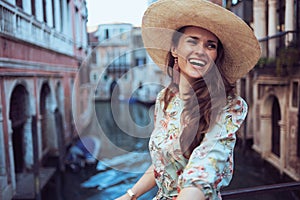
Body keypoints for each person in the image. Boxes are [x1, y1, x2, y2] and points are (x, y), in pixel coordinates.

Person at [116, 0, 261, 199]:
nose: (201, 51)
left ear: (216, 56)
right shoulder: (165, 100)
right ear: (174, 49)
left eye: (210, 45)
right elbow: (161, 162)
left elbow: (206, 165)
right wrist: (130, 195)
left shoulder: (230, 106)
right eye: (192, 41)